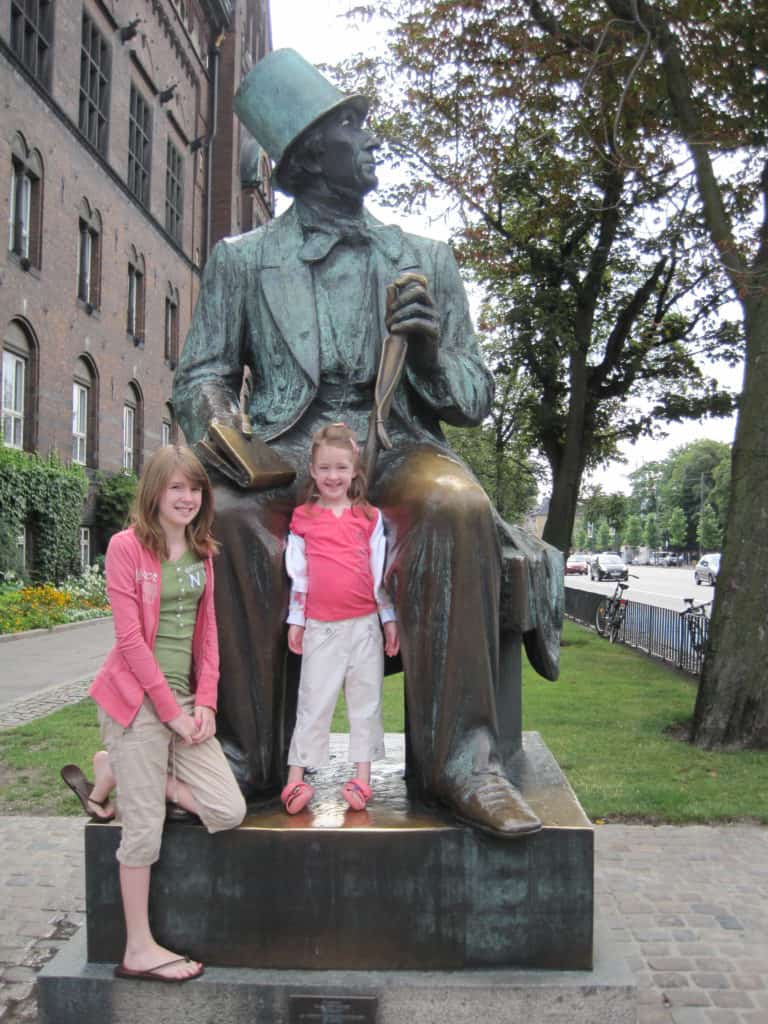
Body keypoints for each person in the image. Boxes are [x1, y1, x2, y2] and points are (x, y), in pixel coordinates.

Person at [172, 49, 562, 837]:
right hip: (286, 451)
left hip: (393, 447)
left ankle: (462, 765)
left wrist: (426, 355)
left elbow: (475, 398)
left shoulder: (424, 259)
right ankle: (245, 757)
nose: (373, 139)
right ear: (312, 152)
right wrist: (223, 434)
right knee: (234, 520)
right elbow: (200, 375)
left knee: (454, 505)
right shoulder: (241, 262)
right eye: (356, 127)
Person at [63, 446, 246, 983]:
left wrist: (205, 702)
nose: (187, 497)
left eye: (194, 489)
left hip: (185, 704)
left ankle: (117, 770)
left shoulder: (202, 552)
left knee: (227, 809)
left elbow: (207, 634)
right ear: (155, 493)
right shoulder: (125, 547)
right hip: (136, 702)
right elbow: (129, 641)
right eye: (176, 488)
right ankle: (138, 949)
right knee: (143, 830)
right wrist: (168, 714)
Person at [281, 423, 399, 815]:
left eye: (341, 468)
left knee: (365, 703)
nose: (333, 476)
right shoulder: (303, 518)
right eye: (325, 468)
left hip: (364, 625)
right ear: (313, 471)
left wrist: (388, 619)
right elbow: (299, 575)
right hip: (322, 627)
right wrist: (297, 619)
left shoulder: (368, 517)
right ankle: (296, 779)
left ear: (354, 472)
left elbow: (379, 572)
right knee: (314, 701)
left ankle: (361, 779)